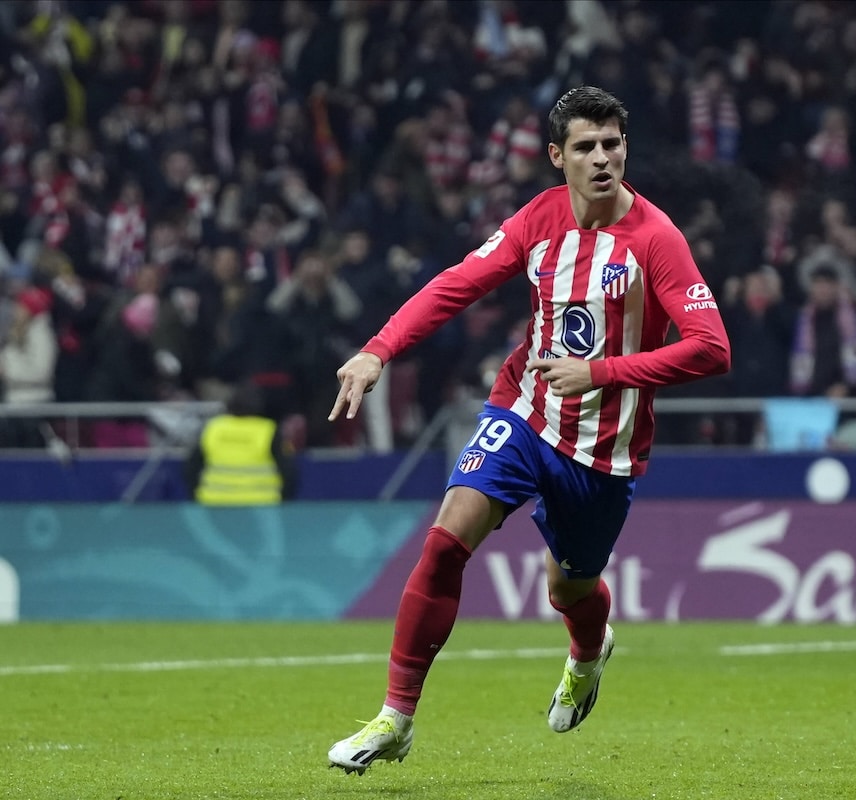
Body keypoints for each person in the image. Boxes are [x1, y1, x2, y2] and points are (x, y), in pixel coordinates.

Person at [324, 86, 731, 774]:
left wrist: (600, 371)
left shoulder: (657, 240)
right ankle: (395, 717)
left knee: (568, 591)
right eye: (585, 147)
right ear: (556, 156)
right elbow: (457, 283)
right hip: (524, 412)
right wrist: (377, 350)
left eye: (611, 144)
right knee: (445, 541)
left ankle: (588, 651)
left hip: (602, 452)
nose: (601, 158)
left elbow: (712, 348)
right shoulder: (539, 219)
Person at [184, 380, 297, 505]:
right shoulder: (268, 430)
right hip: (261, 503)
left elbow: (192, 467)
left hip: (215, 502)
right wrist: (283, 501)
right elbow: (288, 471)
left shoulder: (213, 428)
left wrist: (196, 495)